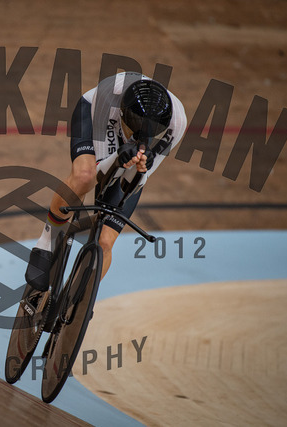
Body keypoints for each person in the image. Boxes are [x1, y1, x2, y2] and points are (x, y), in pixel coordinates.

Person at [25, 71, 187, 291]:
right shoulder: (108, 96)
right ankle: (45, 243)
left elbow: (135, 183)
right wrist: (118, 156)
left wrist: (140, 169)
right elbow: (100, 174)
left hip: (131, 131)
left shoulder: (177, 123)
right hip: (95, 117)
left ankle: (77, 299)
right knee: (84, 176)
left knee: (105, 242)